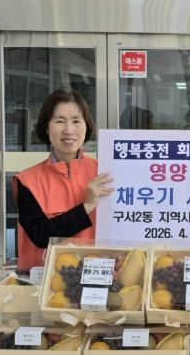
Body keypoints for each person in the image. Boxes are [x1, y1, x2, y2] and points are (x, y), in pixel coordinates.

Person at [12, 89, 114, 271]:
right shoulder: (27, 181)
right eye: (59, 121)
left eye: (76, 121)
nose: (69, 130)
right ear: (46, 127)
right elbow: (41, 235)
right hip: (46, 279)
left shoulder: (106, 174)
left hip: (101, 275)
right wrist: (87, 206)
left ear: (86, 126)